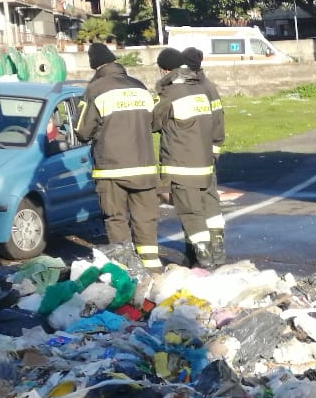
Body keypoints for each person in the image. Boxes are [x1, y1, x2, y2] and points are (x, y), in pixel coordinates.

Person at [75, 42, 160, 273]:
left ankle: (126, 270)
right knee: (145, 220)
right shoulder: (139, 86)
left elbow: (82, 130)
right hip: (143, 168)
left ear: (94, 64)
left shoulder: (96, 89)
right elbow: (154, 122)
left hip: (111, 170)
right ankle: (153, 270)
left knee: (116, 219)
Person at [152, 45, 227, 267]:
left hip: (181, 166)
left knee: (191, 213)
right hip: (204, 163)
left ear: (165, 70)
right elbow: (216, 123)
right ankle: (218, 255)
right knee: (210, 209)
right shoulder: (200, 91)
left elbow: (152, 122)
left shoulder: (170, 94)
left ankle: (204, 261)